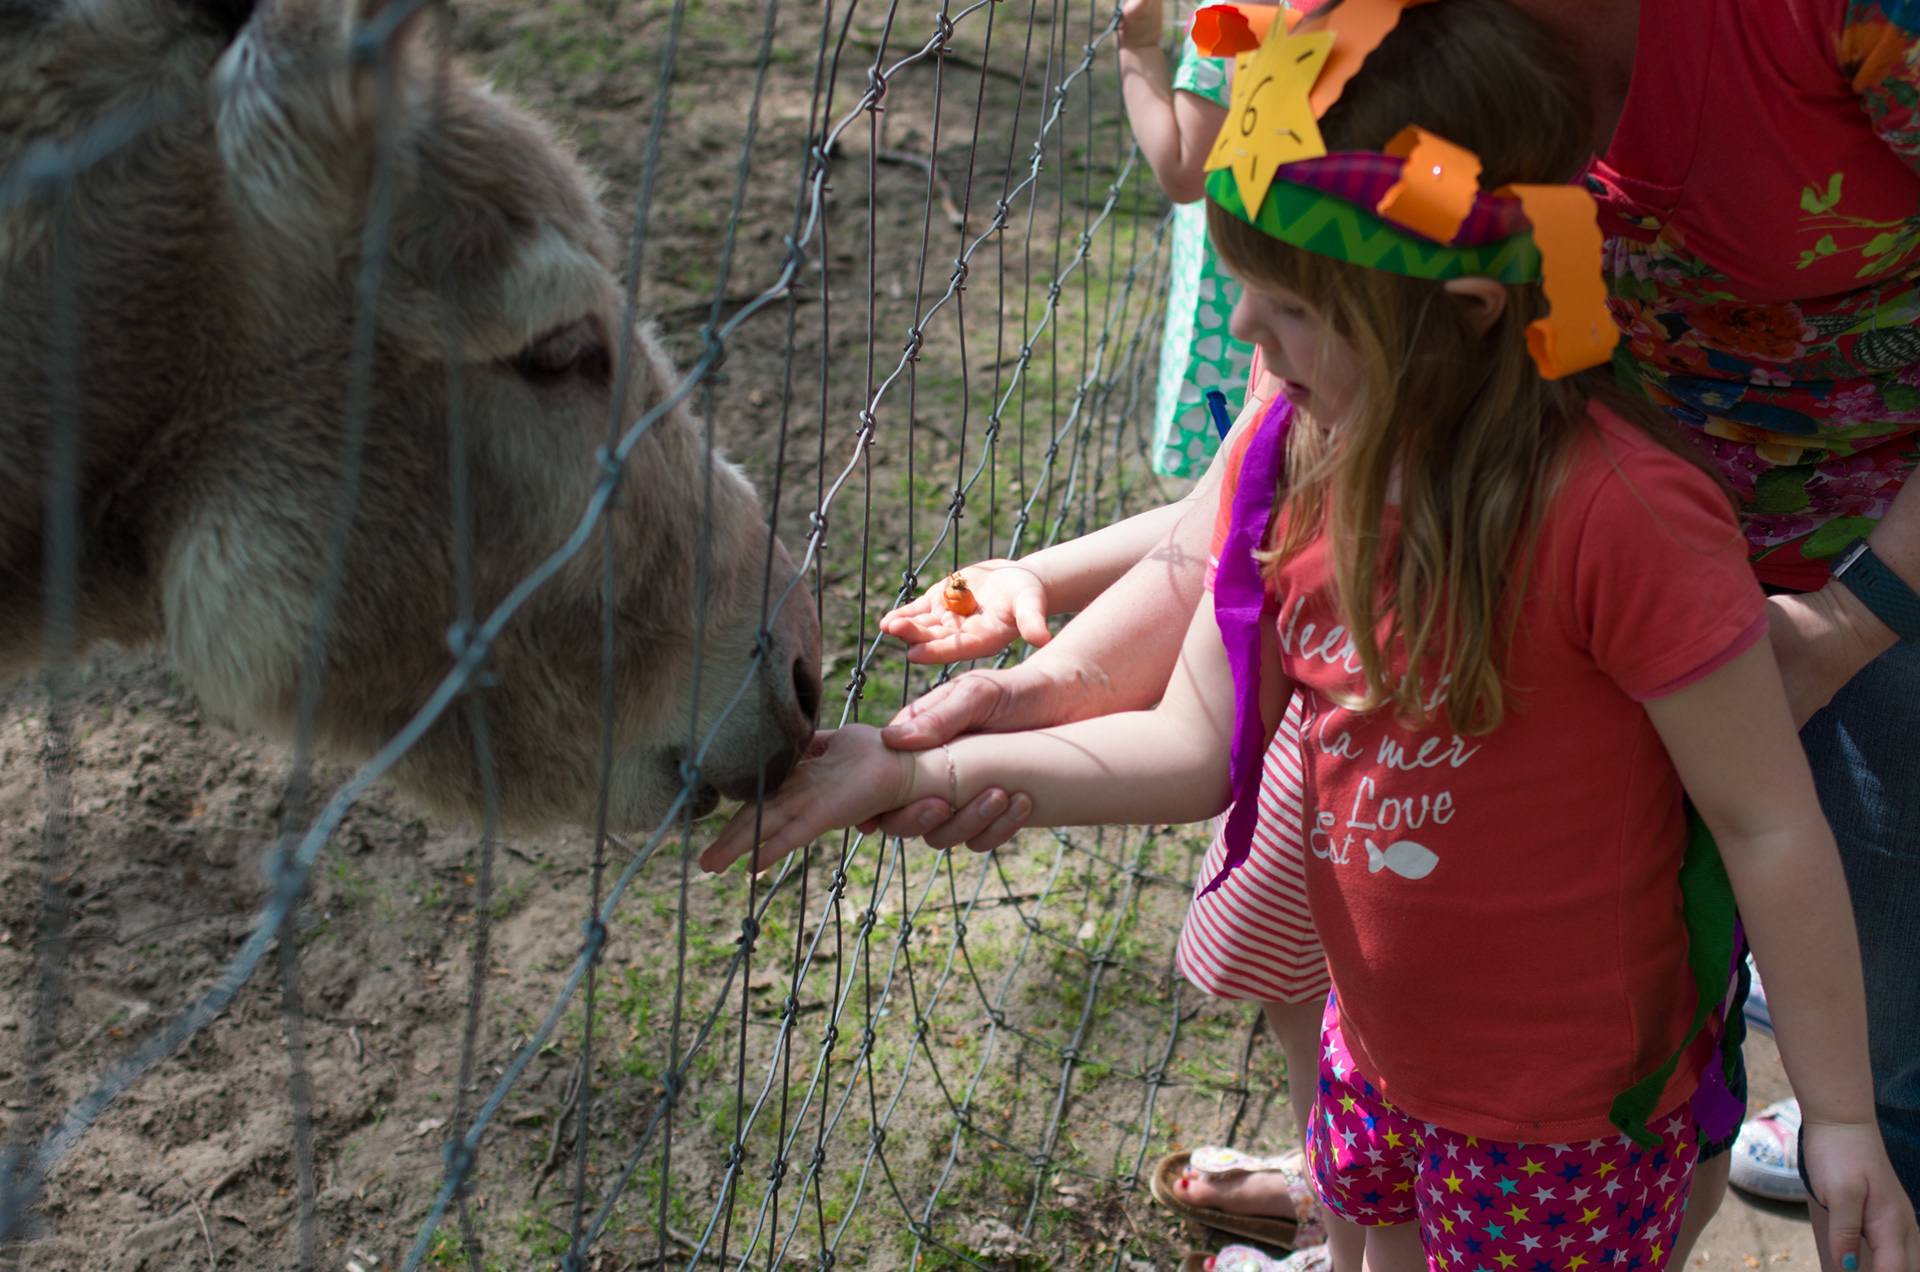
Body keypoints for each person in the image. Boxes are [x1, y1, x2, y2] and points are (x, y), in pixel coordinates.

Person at [706, 7, 1920, 1272]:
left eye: (1286, 306)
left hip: (1561, 1128)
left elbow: (1766, 824)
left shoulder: (1629, 524)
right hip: (1376, 1060)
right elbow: (1192, 740)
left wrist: (1840, 1117)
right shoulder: (1307, 459)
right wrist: (920, 765)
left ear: (1454, 309)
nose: (1242, 336)